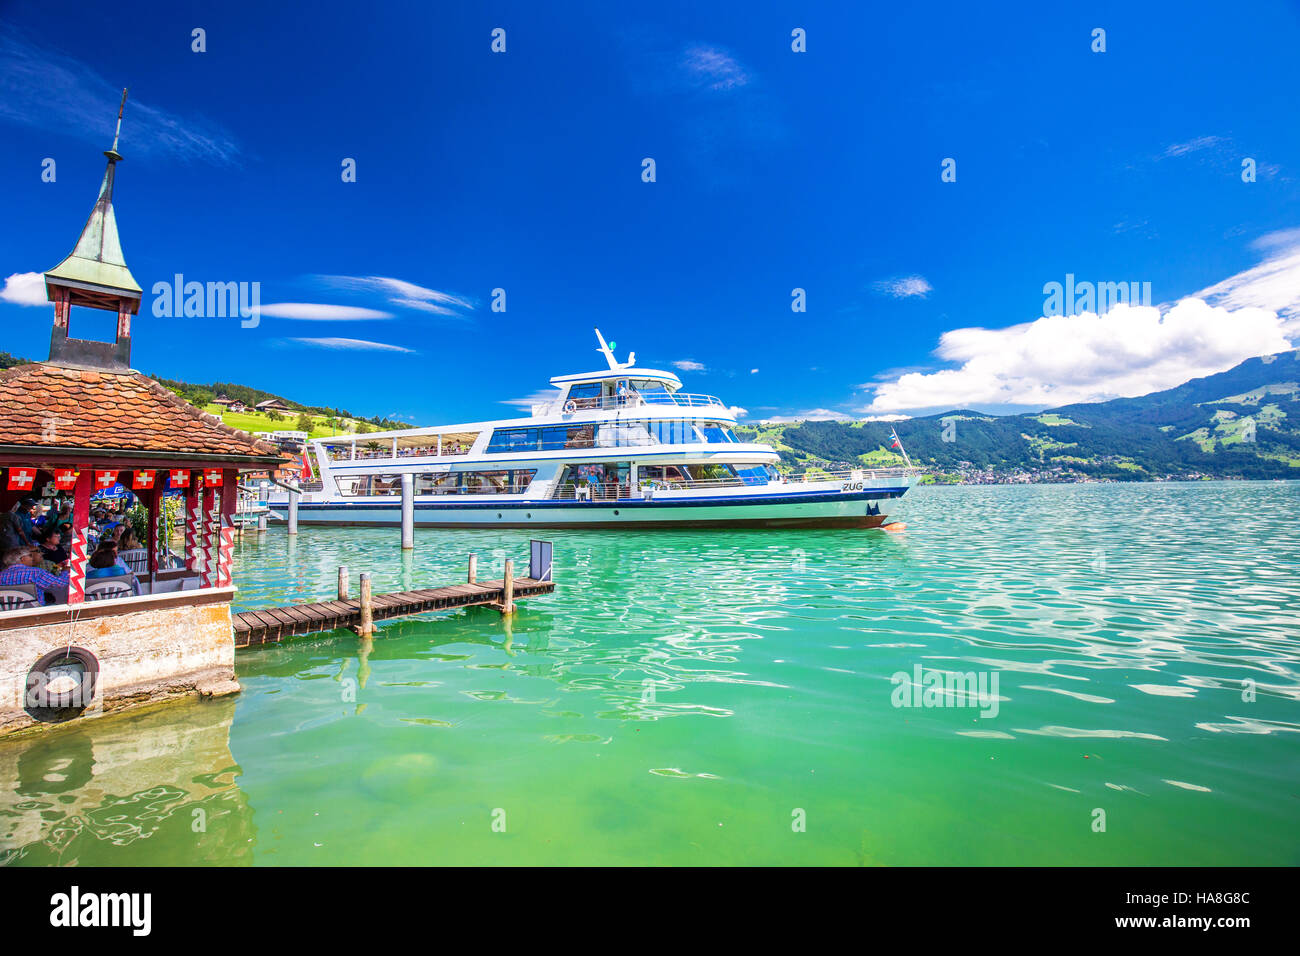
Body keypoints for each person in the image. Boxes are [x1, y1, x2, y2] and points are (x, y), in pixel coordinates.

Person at [0, 547, 69, 606]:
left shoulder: (1, 575)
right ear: (23, 559)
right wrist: (65, 571)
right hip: (35, 613)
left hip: (7, 614)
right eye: (30, 555)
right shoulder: (35, 573)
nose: (32, 558)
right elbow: (61, 584)